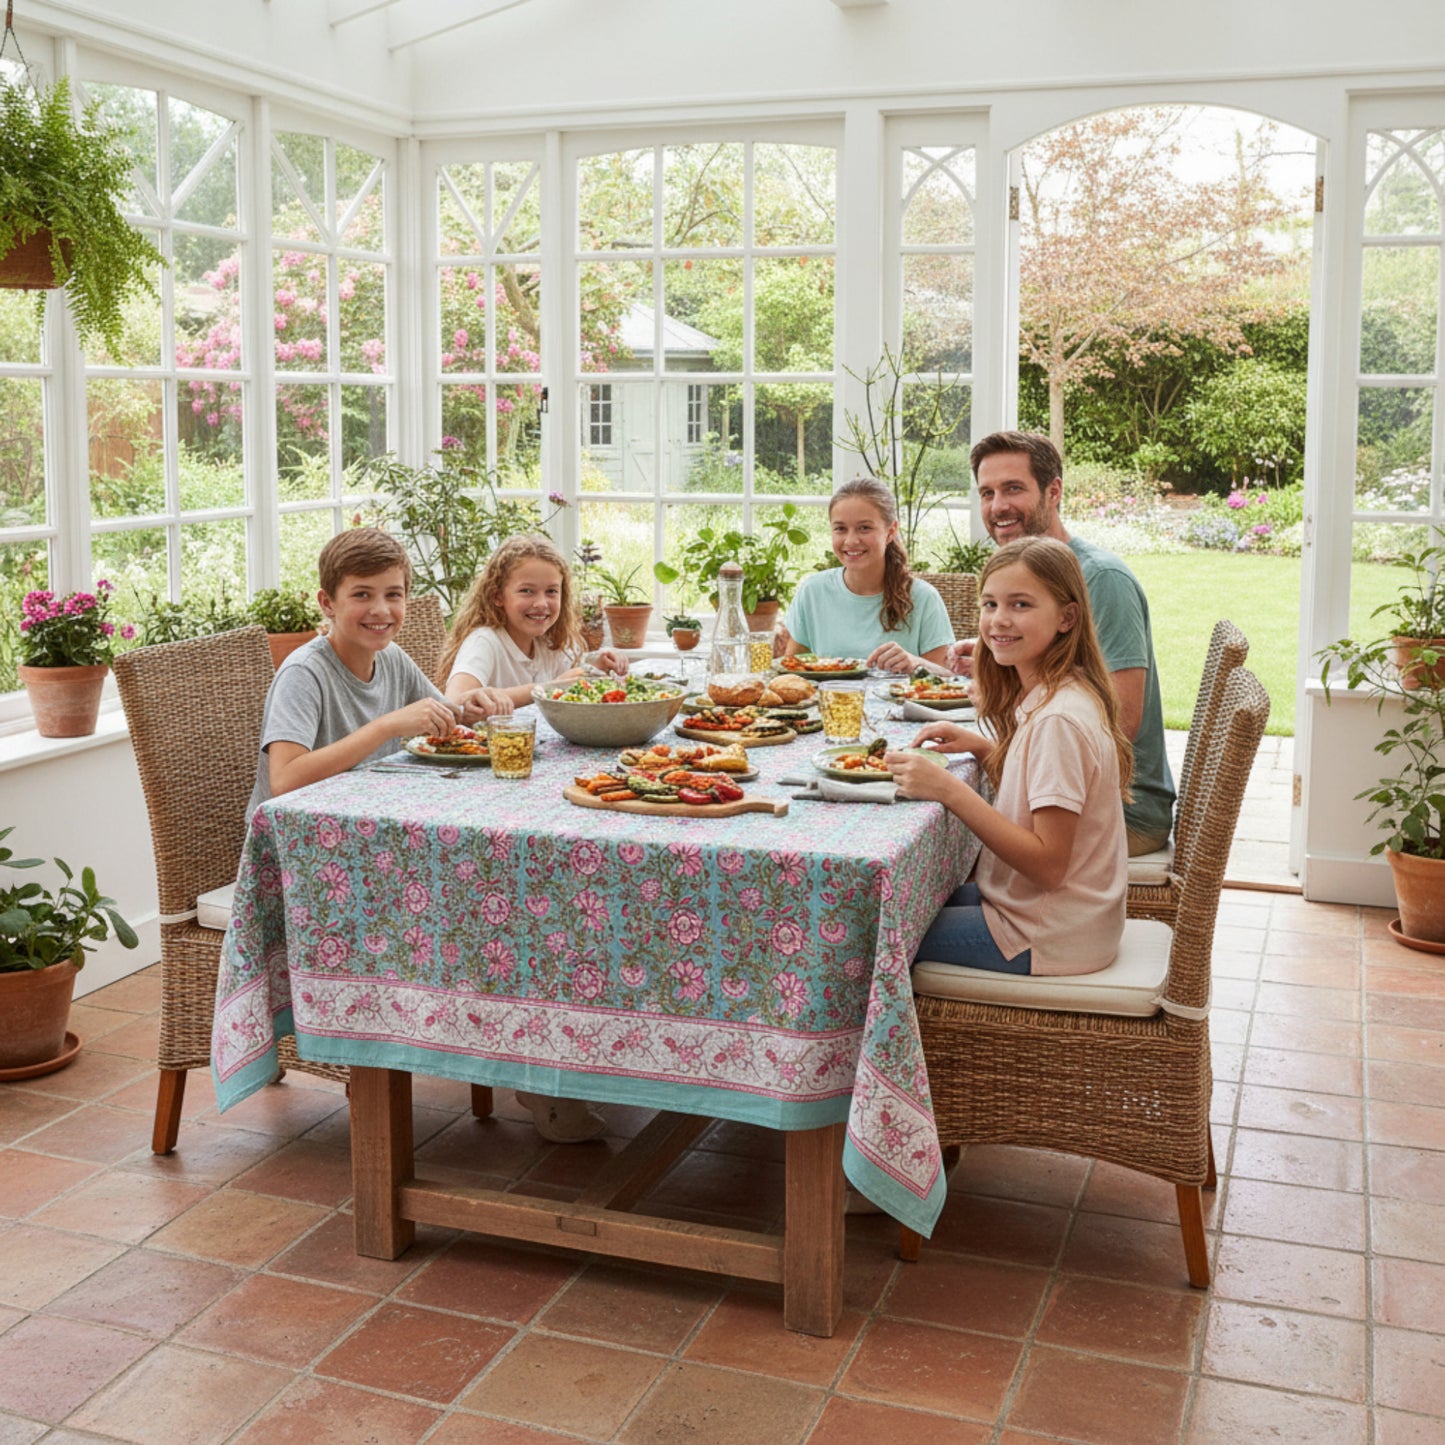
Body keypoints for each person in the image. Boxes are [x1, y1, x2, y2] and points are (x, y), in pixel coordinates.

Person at [888, 536, 1132, 976]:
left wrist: (948, 790)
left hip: (1046, 932)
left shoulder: (1058, 720)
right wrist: (983, 749)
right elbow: (1037, 791)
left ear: (1067, 617)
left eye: (1020, 605)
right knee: (890, 900)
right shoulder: (1061, 690)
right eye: (990, 604)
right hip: (1056, 915)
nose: (999, 621)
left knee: (865, 934)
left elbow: (1049, 864)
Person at [949, 431, 1175, 855]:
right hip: (1057, 788)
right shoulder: (1029, 572)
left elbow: (1118, 726)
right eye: (987, 492)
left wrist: (1006, 691)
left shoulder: (1102, 581)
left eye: (1013, 488)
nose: (998, 507)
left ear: (1053, 491)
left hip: (1118, 812)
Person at [247, 527, 509, 820]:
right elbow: (285, 781)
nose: (380, 610)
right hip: (303, 838)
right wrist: (387, 726)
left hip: (371, 819)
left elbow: (446, 718)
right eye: (362, 595)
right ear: (327, 603)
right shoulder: (304, 673)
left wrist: (468, 708)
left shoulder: (390, 656)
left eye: (393, 595)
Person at [439, 534, 630, 713]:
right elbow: (454, 704)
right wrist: (546, 689)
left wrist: (597, 666)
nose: (541, 603)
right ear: (497, 596)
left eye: (551, 591)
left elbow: (571, 679)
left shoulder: (548, 643)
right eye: (527, 591)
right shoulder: (484, 642)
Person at [781, 476, 954, 673]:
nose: (851, 540)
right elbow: (792, 673)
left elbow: (948, 679)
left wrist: (915, 664)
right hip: (829, 703)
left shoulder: (924, 598)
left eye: (864, 528)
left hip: (902, 704)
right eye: (840, 529)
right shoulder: (812, 591)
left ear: (890, 532)